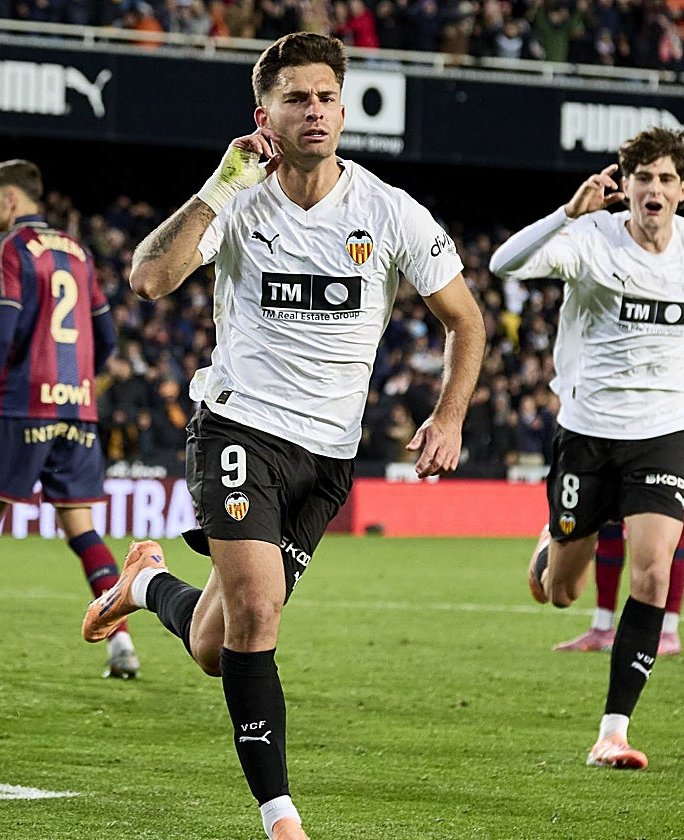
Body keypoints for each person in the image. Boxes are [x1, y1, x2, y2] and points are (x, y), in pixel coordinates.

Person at [81, 32, 486, 840]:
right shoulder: (238, 201)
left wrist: (450, 415)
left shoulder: (387, 210)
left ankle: (145, 584)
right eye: (297, 97)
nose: (315, 111)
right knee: (259, 616)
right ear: (263, 111)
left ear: (344, 107)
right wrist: (219, 185)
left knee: (214, 644)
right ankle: (281, 816)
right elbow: (149, 278)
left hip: (327, 456)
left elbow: (465, 320)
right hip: (239, 426)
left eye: (327, 97)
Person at [492, 127, 684, 770]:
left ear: (682, 190)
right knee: (561, 592)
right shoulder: (589, 241)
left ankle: (613, 729)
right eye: (642, 177)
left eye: (665, 178)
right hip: (586, 433)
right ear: (624, 185)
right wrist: (565, 214)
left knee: (653, 569)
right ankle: (553, 546)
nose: (653, 189)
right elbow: (503, 265)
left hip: (662, 432)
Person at [0, 159, 141, 680]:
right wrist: (78, 379)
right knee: (82, 530)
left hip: (23, 407)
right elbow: (106, 337)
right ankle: (122, 646)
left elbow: (2, 329)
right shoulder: (79, 252)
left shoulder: (9, 248)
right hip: (77, 409)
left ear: (12, 200)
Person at [552, 416, 684, 656]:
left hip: (668, 423)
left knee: (668, 522)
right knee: (606, 517)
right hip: (613, 420)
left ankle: (668, 630)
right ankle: (602, 626)